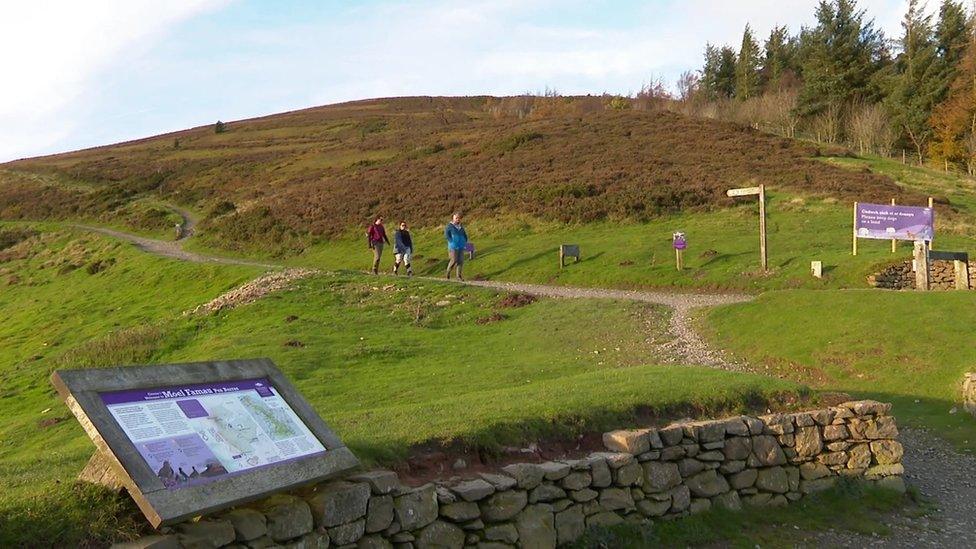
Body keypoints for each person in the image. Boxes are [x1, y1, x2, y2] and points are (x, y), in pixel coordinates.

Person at [444, 212, 468, 281]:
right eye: (456, 218)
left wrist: (465, 240)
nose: (458, 219)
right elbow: (446, 234)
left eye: (459, 218)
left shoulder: (461, 227)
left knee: (461, 261)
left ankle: (459, 276)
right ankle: (448, 272)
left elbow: (464, 234)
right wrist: (451, 241)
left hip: (461, 246)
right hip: (453, 247)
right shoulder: (449, 226)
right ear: (453, 218)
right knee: (454, 260)